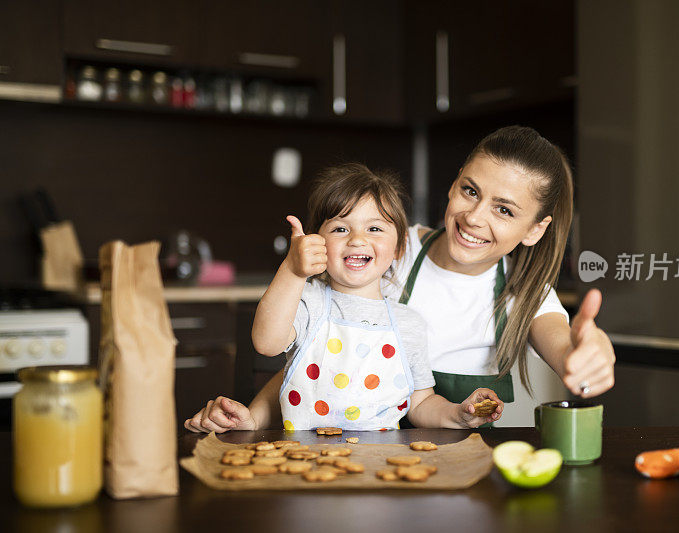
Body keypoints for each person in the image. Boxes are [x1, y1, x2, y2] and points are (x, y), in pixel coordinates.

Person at [185, 126, 615, 432]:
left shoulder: (527, 294)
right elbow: (323, 353)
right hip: (376, 457)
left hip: (484, 473)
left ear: (535, 230)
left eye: (504, 210)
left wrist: (587, 354)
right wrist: (257, 416)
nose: (474, 217)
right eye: (470, 190)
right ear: (453, 185)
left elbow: (566, 347)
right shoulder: (387, 249)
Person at [185, 163, 502, 433]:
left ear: (399, 248)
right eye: (339, 229)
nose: (357, 239)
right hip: (305, 462)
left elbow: (421, 403)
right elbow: (266, 343)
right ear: (317, 242)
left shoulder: (408, 324)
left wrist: (459, 414)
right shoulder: (310, 302)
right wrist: (293, 272)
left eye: (375, 229)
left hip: (380, 468)